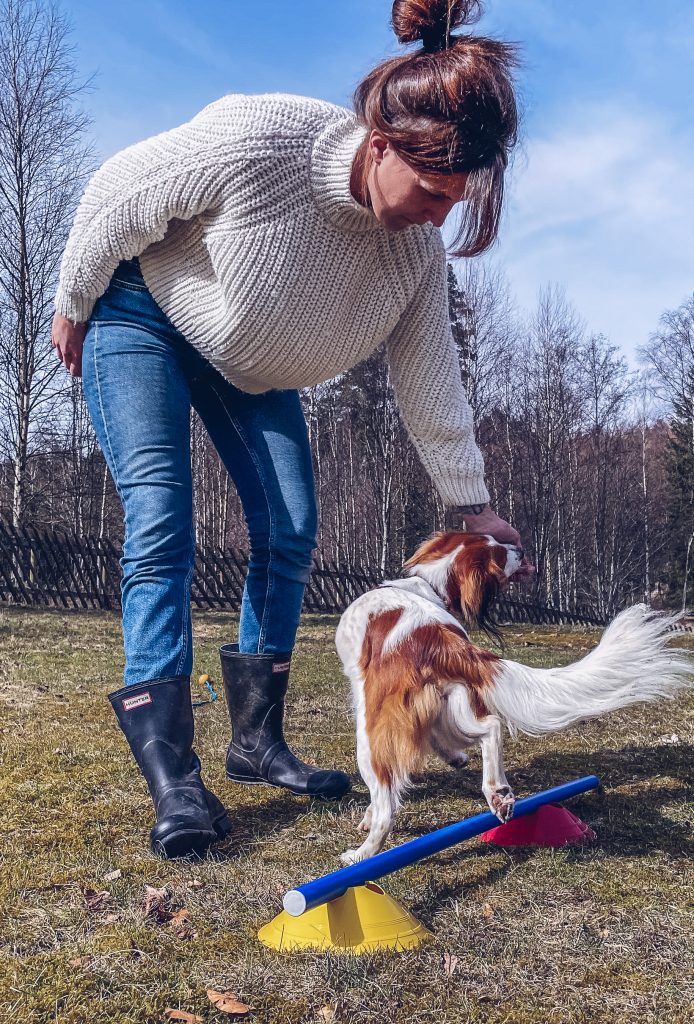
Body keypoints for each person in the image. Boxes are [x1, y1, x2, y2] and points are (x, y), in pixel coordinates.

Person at [51, 0, 526, 859]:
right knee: (163, 521)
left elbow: (431, 381)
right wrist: (76, 299)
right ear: (380, 146)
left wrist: (471, 502)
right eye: (429, 193)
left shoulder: (413, 257)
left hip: (245, 367)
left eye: (454, 203)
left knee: (292, 529)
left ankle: (255, 741)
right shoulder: (262, 140)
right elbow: (120, 193)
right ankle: (175, 779)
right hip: (141, 312)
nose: (437, 218)